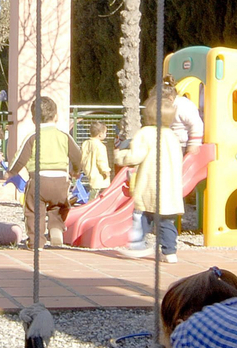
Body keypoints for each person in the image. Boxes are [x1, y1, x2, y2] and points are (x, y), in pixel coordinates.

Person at [115, 89, 185, 263]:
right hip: (170, 187)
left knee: (141, 214)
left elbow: (135, 156)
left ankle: (138, 244)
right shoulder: (172, 136)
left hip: (151, 184)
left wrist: (120, 156)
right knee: (167, 221)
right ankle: (170, 252)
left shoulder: (145, 133)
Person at [5, 96, 83, 247]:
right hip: (61, 180)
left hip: (39, 180)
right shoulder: (64, 136)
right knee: (59, 206)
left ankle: (36, 241)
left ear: (34, 120)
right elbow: (77, 155)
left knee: (34, 211)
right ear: (56, 116)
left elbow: (20, 158)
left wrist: (11, 172)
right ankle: (56, 229)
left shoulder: (33, 137)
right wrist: (75, 170)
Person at [163, 76, 205, 153]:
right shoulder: (167, 108)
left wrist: (193, 144)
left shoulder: (183, 105)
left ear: (170, 99)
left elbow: (196, 124)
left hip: (183, 145)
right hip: (171, 144)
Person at [79, 119, 112, 199]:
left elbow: (82, 156)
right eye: (105, 133)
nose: (105, 134)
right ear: (100, 135)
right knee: (97, 192)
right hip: (99, 174)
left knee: (93, 187)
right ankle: (92, 204)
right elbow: (101, 160)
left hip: (89, 170)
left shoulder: (86, 143)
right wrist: (105, 170)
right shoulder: (100, 146)